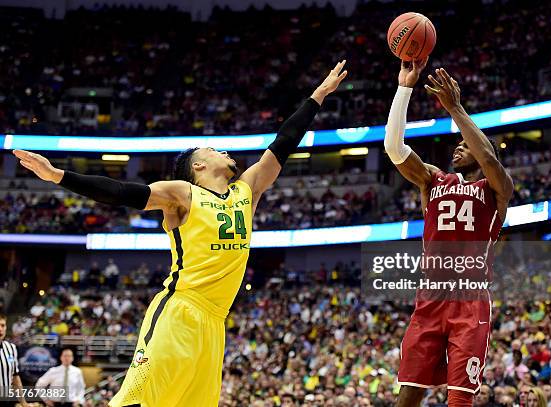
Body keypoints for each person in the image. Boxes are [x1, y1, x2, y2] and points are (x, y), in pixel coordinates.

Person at [13, 60, 348, 407]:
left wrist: (318, 95)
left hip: (216, 324)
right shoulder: (182, 194)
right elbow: (123, 192)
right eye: (213, 150)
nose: (223, 151)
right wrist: (59, 176)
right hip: (179, 311)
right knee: (138, 402)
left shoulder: (246, 191)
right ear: (198, 166)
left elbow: (283, 143)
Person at [384, 60, 513, 407]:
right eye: (457, 144)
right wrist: (404, 87)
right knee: (408, 393)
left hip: (470, 301)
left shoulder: (496, 188)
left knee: (459, 399)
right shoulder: (433, 180)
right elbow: (394, 149)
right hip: (430, 299)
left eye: (465, 145)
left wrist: (455, 108)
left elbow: (488, 156)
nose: (458, 147)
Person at [0, 314, 29, 407]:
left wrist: (23, 403)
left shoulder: (11, 348)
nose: (0, 328)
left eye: (3, 325)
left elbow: (15, 377)